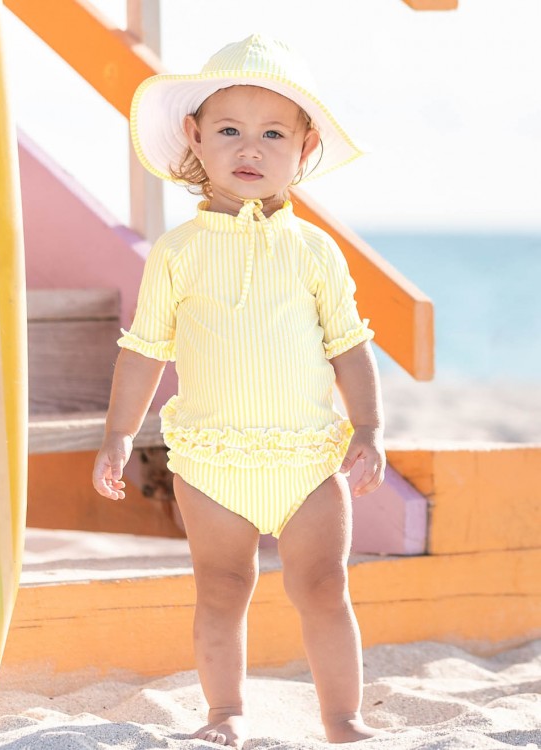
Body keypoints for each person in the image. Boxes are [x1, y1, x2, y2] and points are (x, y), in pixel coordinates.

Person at [93, 34, 385, 748]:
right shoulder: (178, 252)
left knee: (322, 588)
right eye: (228, 130)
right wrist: (118, 433)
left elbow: (349, 346)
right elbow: (144, 351)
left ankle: (341, 720)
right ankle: (224, 714)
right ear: (194, 137)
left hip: (308, 461)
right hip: (211, 463)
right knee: (221, 590)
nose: (248, 148)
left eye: (272, 133)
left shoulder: (313, 251)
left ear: (303, 147)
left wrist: (369, 429)